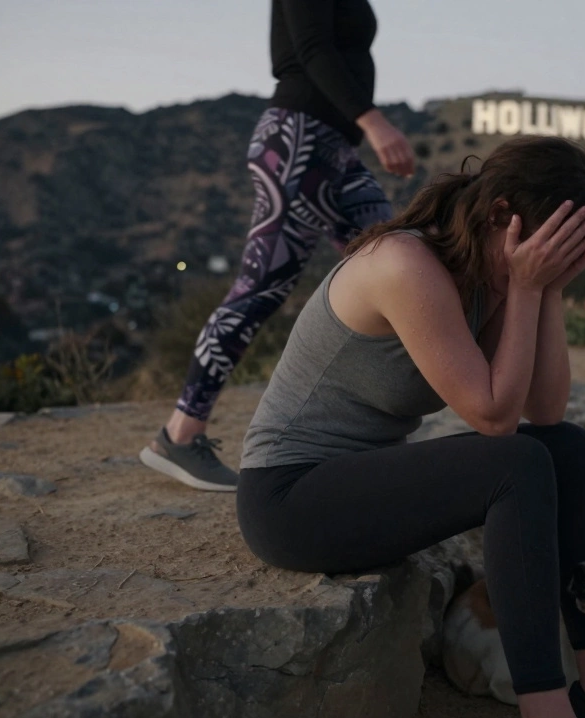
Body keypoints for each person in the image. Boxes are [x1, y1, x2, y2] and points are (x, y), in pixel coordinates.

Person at [237, 137, 585, 718]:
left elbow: (547, 411)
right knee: (517, 463)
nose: (542, 263)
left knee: (568, 448)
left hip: (356, 489)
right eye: (543, 248)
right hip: (290, 498)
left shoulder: (488, 274)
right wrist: (529, 286)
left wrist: (548, 288)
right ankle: (546, 709)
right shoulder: (405, 265)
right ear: (501, 216)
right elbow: (493, 416)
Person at [141, 0, 415, 491]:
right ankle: (180, 434)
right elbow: (310, 47)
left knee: (403, 264)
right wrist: (375, 122)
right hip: (298, 143)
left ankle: (372, 426)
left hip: (333, 150)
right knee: (259, 290)